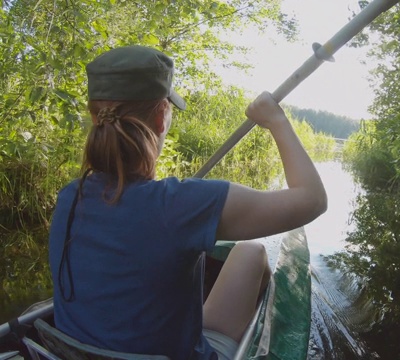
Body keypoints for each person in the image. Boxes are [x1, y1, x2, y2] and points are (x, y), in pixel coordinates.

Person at [48, 45, 327, 360]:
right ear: (160, 117)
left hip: (76, 353)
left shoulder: (70, 195)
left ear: (93, 115)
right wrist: (276, 119)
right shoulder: (182, 203)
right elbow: (312, 199)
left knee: (245, 253)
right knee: (252, 251)